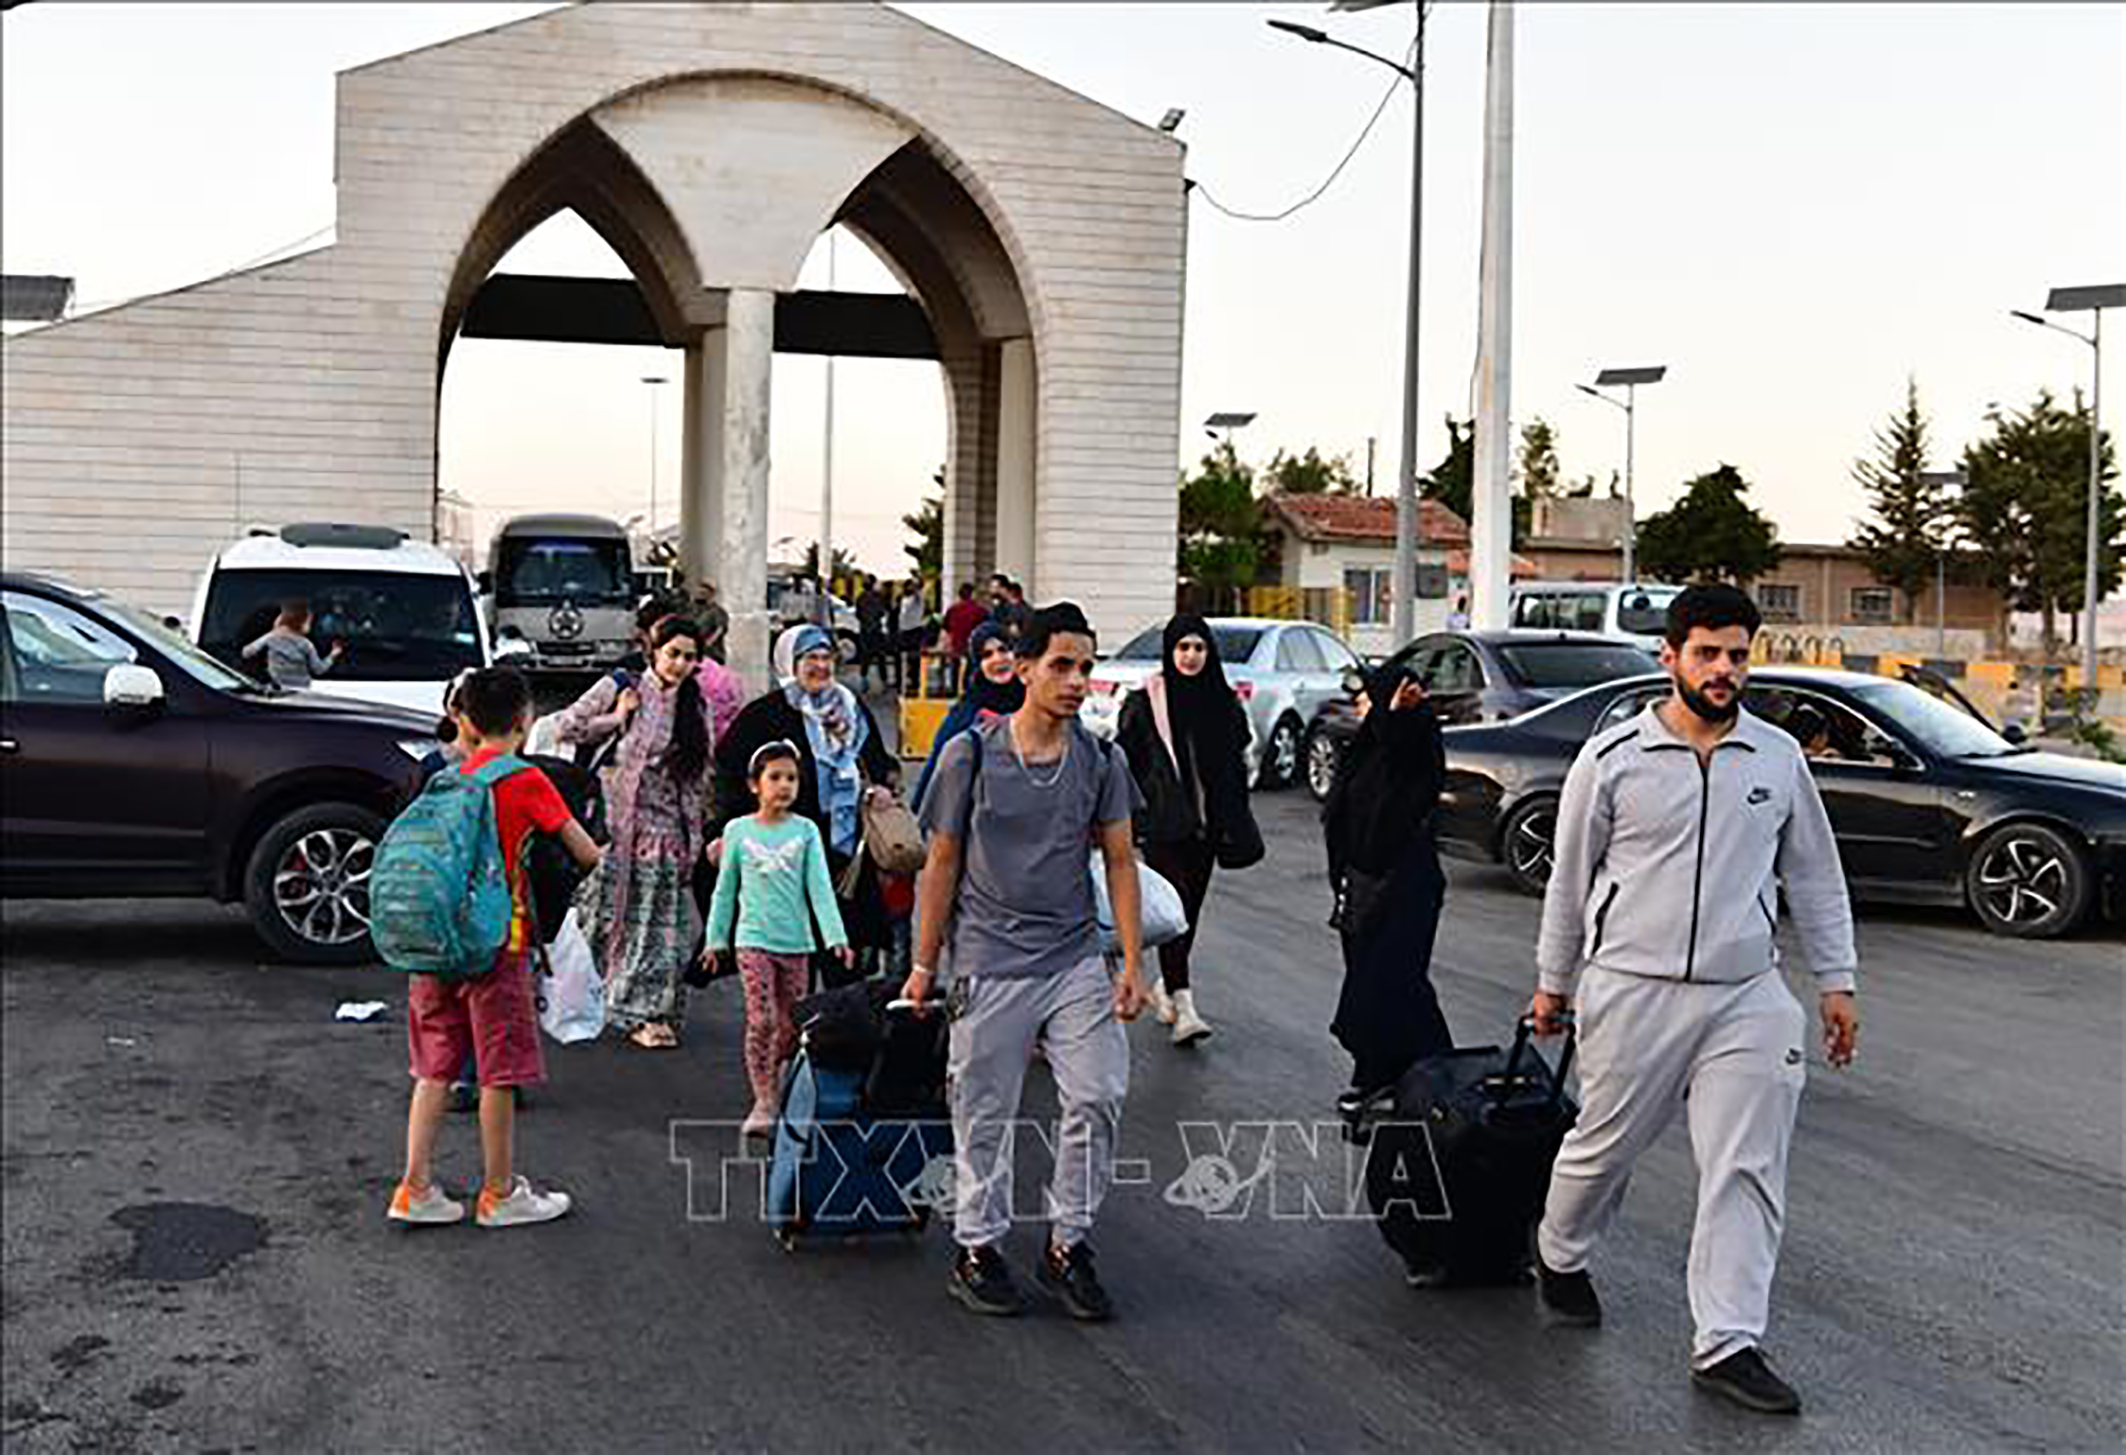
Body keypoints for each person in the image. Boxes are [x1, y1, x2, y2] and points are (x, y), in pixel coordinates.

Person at [1528, 583, 1860, 1417]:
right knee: (1603, 1148)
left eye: (1738, 654)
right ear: (1669, 655)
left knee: (1747, 1166)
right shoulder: (1612, 760)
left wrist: (1837, 981)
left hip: (1746, 993)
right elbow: (1569, 881)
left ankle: (1728, 1338)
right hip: (1631, 987)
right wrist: (1553, 982)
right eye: (1708, 652)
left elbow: (1815, 875)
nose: (1724, 669)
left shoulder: (1777, 758)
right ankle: (1559, 1251)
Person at [905, 602, 1149, 1323]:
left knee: (1098, 1094)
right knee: (984, 1111)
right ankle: (977, 1247)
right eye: (1062, 665)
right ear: (1024, 666)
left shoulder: (1101, 758)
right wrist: (924, 965)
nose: (1077, 681)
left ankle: (1067, 1243)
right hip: (989, 962)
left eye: (1086, 666)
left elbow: (1121, 859)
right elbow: (940, 861)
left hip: (1074, 957)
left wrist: (1132, 961)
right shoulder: (970, 754)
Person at [389, 665, 602, 1229]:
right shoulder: (525, 779)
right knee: (497, 1071)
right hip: (496, 944)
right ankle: (500, 1192)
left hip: (436, 940)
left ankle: (415, 1187)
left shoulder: (449, 777)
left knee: (435, 1065)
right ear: (525, 718)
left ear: (467, 719)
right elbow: (584, 853)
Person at [556, 617, 716, 1049]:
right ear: (654, 651)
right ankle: (585, 998)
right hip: (608, 828)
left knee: (657, 928)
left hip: (662, 833)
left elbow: (698, 781)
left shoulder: (695, 708)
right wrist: (616, 717)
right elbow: (566, 726)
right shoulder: (620, 686)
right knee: (600, 919)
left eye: (689, 657)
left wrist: (694, 841)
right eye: (673, 654)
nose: (680, 664)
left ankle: (647, 1013)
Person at [715, 624, 899, 982]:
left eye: (827, 657)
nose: (820, 665)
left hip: (845, 852)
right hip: (785, 849)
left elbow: (878, 761)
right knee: (789, 958)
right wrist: (726, 829)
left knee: (844, 954)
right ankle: (793, 1030)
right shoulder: (765, 714)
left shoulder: (850, 708)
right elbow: (729, 772)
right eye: (809, 657)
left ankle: (836, 1032)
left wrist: (882, 786)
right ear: (788, 662)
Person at [1115, 613, 1255, 1048]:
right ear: (1170, 652)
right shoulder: (1145, 702)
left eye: (1198, 648)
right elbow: (1127, 760)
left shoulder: (1222, 700)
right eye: (1183, 648)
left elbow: (1238, 754)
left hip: (1208, 827)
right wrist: (1132, 818)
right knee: (1175, 910)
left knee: (1187, 916)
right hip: (1164, 826)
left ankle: (1166, 988)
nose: (1191, 656)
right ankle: (1185, 1004)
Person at [705, 740, 852, 1137]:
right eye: (775, 777)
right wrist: (715, 939)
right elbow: (725, 889)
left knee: (791, 1025)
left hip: (798, 945)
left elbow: (820, 889)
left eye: (791, 778)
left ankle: (784, 1090)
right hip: (752, 941)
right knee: (761, 1019)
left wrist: (835, 937)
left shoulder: (805, 831)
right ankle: (764, 1100)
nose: (784, 786)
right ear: (755, 784)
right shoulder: (737, 831)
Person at [1322, 658, 1451, 1098]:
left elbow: (1409, 778)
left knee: (1386, 986)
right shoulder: (1367, 749)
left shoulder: (1415, 746)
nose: (1361, 709)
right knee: (1381, 984)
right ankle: (1392, 1075)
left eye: (1366, 701)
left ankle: (1427, 1076)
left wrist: (1397, 717)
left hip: (1405, 889)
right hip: (1360, 887)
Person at [911, 622, 1022, 812]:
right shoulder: (966, 712)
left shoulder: (1035, 701)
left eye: (1003, 650)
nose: (998, 659)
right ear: (977, 665)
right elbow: (939, 764)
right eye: (986, 655)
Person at [243, 599, 342, 690]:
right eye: (309, 621)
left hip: (278, 690)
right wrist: (333, 655)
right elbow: (318, 669)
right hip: (301, 691)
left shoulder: (272, 637)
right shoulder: (306, 644)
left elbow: (246, 652)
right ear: (301, 622)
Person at [943, 582, 989, 692]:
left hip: (956, 645)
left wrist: (947, 644)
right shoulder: (980, 611)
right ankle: (968, 689)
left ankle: (954, 689)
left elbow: (946, 629)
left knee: (955, 667)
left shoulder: (952, 610)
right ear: (972, 594)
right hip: (973, 645)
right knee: (972, 668)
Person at [856, 575, 892, 694]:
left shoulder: (860, 597)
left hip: (866, 631)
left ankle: (864, 682)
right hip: (877, 630)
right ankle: (883, 683)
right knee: (880, 658)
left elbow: (858, 614)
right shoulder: (879, 597)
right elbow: (885, 612)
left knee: (865, 658)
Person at [897, 579, 929, 696]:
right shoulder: (903, 599)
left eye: (912, 587)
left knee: (915, 659)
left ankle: (916, 683)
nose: (909, 588)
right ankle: (902, 682)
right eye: (908, 586)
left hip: (915, 631)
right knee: (903, 658)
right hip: (903, 632)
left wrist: (918, 580)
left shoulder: (918, 600)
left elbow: (921, 591)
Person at [694, 582, 730, 666]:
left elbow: (720, 629)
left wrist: (709, 642)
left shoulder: (716, 611)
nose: (699, 595)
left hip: (712, 653)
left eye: (703, 593)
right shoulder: (694, 610)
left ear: (710, 595)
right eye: (698, 593)